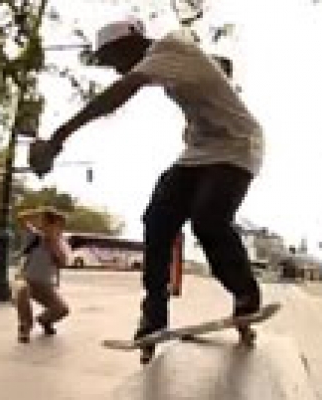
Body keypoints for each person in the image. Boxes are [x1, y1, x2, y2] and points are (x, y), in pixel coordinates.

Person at [28, 17, 264, 344]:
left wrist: (58, 138)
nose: (116, 71)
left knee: (208, 220)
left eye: (115, 61)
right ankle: (154, 312)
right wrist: (217, 70)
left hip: (238, 144)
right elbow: (221, 62)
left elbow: (120, 93)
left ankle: (245, 293)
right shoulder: (179, 53)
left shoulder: (168, 48)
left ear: (130, 44)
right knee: (157, 220)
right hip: (199, 151)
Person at [15, 207, 70, 343]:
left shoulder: (62, 244)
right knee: (22, 289)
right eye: (49, 224)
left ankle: (44, 320)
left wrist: (52, 244)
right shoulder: (34, 236)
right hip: (25, 279)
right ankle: (25, 328)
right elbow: (21, 218)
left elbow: (63, 262)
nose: (53, 229)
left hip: (45, 285)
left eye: (57, 226)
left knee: (62, 309)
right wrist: (41, 211)